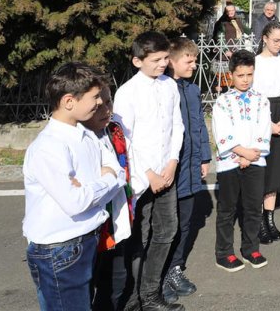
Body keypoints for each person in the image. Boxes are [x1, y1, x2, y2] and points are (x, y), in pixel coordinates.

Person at [23, 63, 126, 311]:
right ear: (69, 101)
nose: (100, 103)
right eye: (94, 98)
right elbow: (75, 201)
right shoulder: (49, 147)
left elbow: (118, 172)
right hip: (60, 249)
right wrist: (105, 180)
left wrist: (95, 184)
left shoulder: (87, 133)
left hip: (84, 240)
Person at [114, 33, 184, 311]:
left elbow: (176, 126)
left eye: (166, 58)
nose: (163, 64)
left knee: (167, 230)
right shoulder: (127, 93)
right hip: (140, 178)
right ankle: (132, 300)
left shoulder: (169, 86)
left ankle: (151, 294)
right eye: (156, 60)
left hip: (167, 171)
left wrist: (172, 162)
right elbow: (125, 140)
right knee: (137, 238)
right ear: (137, 61)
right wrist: (149, 173)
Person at [211, 49, 271, 272]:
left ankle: (250, 248)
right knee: (227, 209)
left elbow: (263, 129)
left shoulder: (261, 100)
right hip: (231, 162)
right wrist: (241, 152)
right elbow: (222, 132)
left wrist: (252, 154)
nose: (245, 80)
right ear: (231, 75)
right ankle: (224, 252)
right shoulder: (223, 102)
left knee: (253, 207)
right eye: (240, 75)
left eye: (249, 75)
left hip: (255, 160)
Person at [163, 38, 211, 305]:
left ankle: (175, 268)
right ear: (172, 62)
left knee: (186, 221)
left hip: (192, 166)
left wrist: (204, 157)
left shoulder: (192, 90)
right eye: (188, 60)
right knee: (168, 225)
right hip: (174, 167)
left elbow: (200, 126)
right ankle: (161, 273)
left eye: (195, 60)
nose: (194, 64)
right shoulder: (165, 90)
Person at [86, 84, 134, 311]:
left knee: (116, 280)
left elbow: (124, 170)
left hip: (117, 221)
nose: (106, 109)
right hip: (92, 229)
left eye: (108, 103)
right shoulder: (81, 138)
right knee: (87, 284)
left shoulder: (114, 130)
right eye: (99, 105)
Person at [251, 22, 280, 244]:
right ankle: (258, 220)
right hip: (262, 116)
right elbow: (254, 96)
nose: (279, 44)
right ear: (265, 38)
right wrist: (269, 124)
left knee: (276, 171)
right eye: (275, 40)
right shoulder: (256, 63)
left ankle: (270, 218)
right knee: (262, 171)